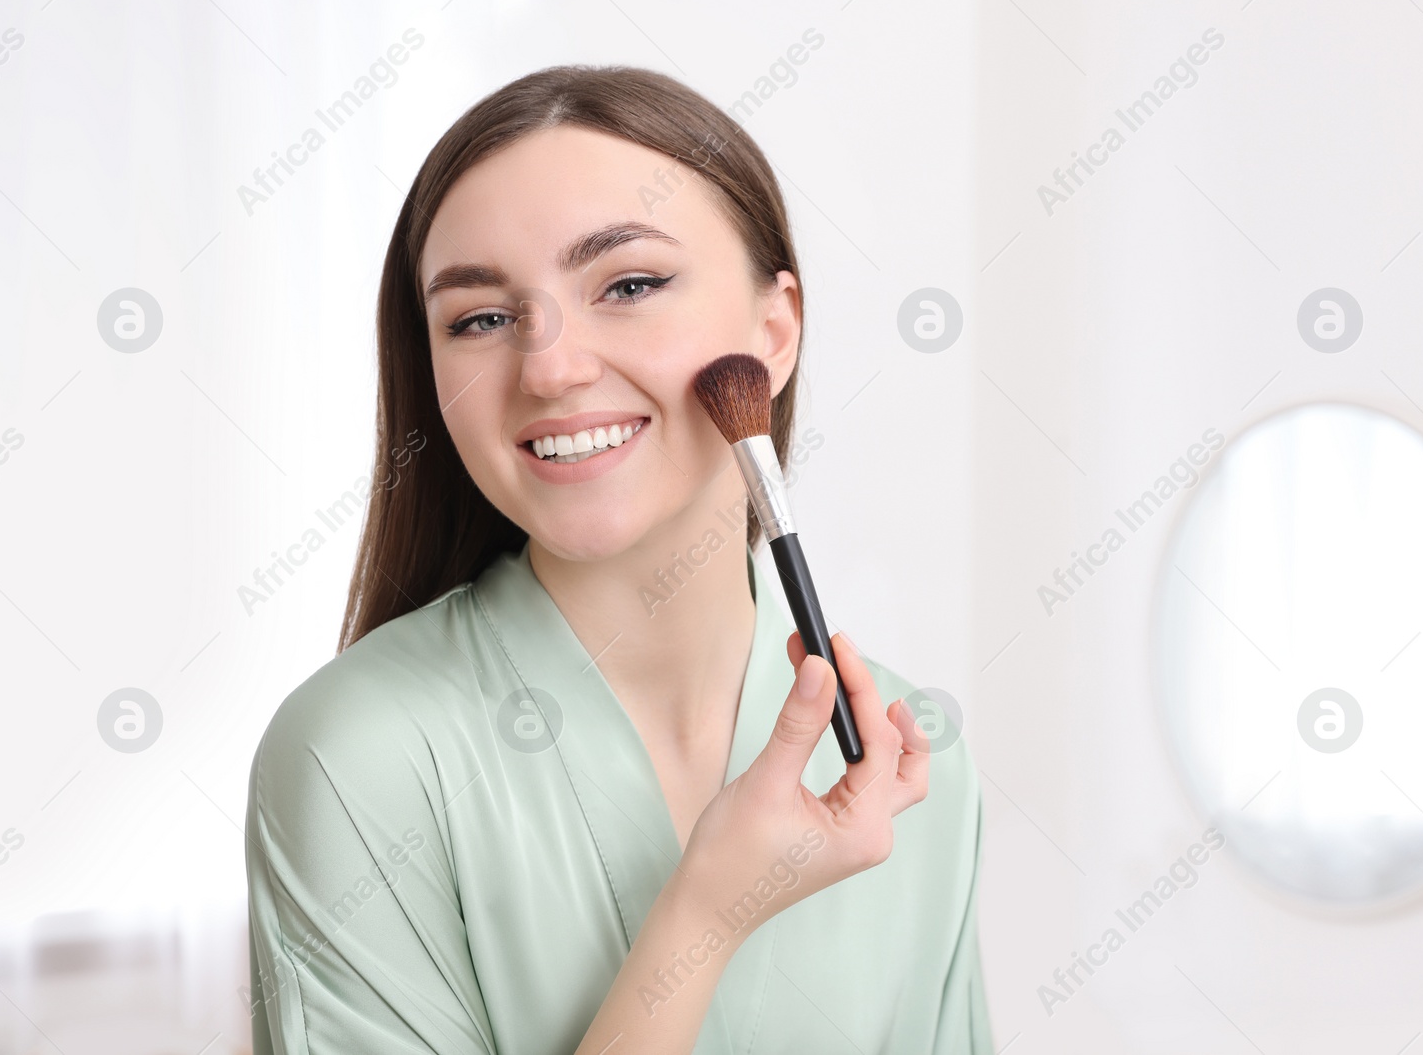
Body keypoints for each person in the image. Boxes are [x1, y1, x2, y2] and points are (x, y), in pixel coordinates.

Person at [244, 63, 994, 1054]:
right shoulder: (359, 756)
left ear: (773, 331)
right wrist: (704, 914)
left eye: (630, 284)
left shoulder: (896, 760)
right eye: (479, 317)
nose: (550, 365)